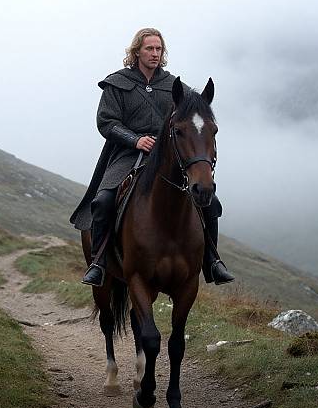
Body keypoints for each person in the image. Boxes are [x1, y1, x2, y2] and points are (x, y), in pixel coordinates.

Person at [70, 28, 234, 287]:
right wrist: (134, 139)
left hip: (168, 156)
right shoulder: (117, 84)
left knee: (209, 201)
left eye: (159, 49)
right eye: (150, 49)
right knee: (103, 200)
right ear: (136, 52)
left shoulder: (174, 87)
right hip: (126, 154)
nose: (155, 54)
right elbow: (106, 122)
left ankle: (212, 260)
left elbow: (193, 117)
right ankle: (99, 262)